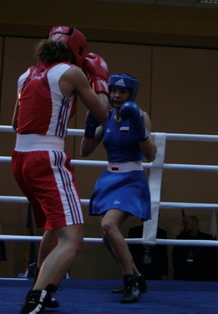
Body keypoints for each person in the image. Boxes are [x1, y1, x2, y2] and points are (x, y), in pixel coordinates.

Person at [11, 26, 110, 314]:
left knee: (54, 227)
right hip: (47, 159)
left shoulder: (26, 74)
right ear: (77, 50)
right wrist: (99, 80)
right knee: (73, 239)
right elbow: (103, 113)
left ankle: (42, 285)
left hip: (20, 158)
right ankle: (36, 298)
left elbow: (15, 124)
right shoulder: (71, 72)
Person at [80, 73, 157, 304]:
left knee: (109, 225)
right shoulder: (106, 118)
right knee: (107, 238)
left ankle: (129, 281)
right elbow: (85, 151)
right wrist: (89, 128)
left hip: (131, 178)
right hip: (109, 179)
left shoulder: (140, 115)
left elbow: (151, 155)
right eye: (113, 90)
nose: (116, 95)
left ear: (131, 94)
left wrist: (140, 129)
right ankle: (138, 278)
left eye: (122, 91)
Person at [172, 215, 216, 281]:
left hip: (201, 277)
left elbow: (212, 258)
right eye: (184, 223)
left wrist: (205, 274)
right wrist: (180, 272)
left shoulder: (206, 238)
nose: (185, 225)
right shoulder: (180, 238)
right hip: (183, 276)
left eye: (187, 223)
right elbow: (175, 257)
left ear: (195, 224)